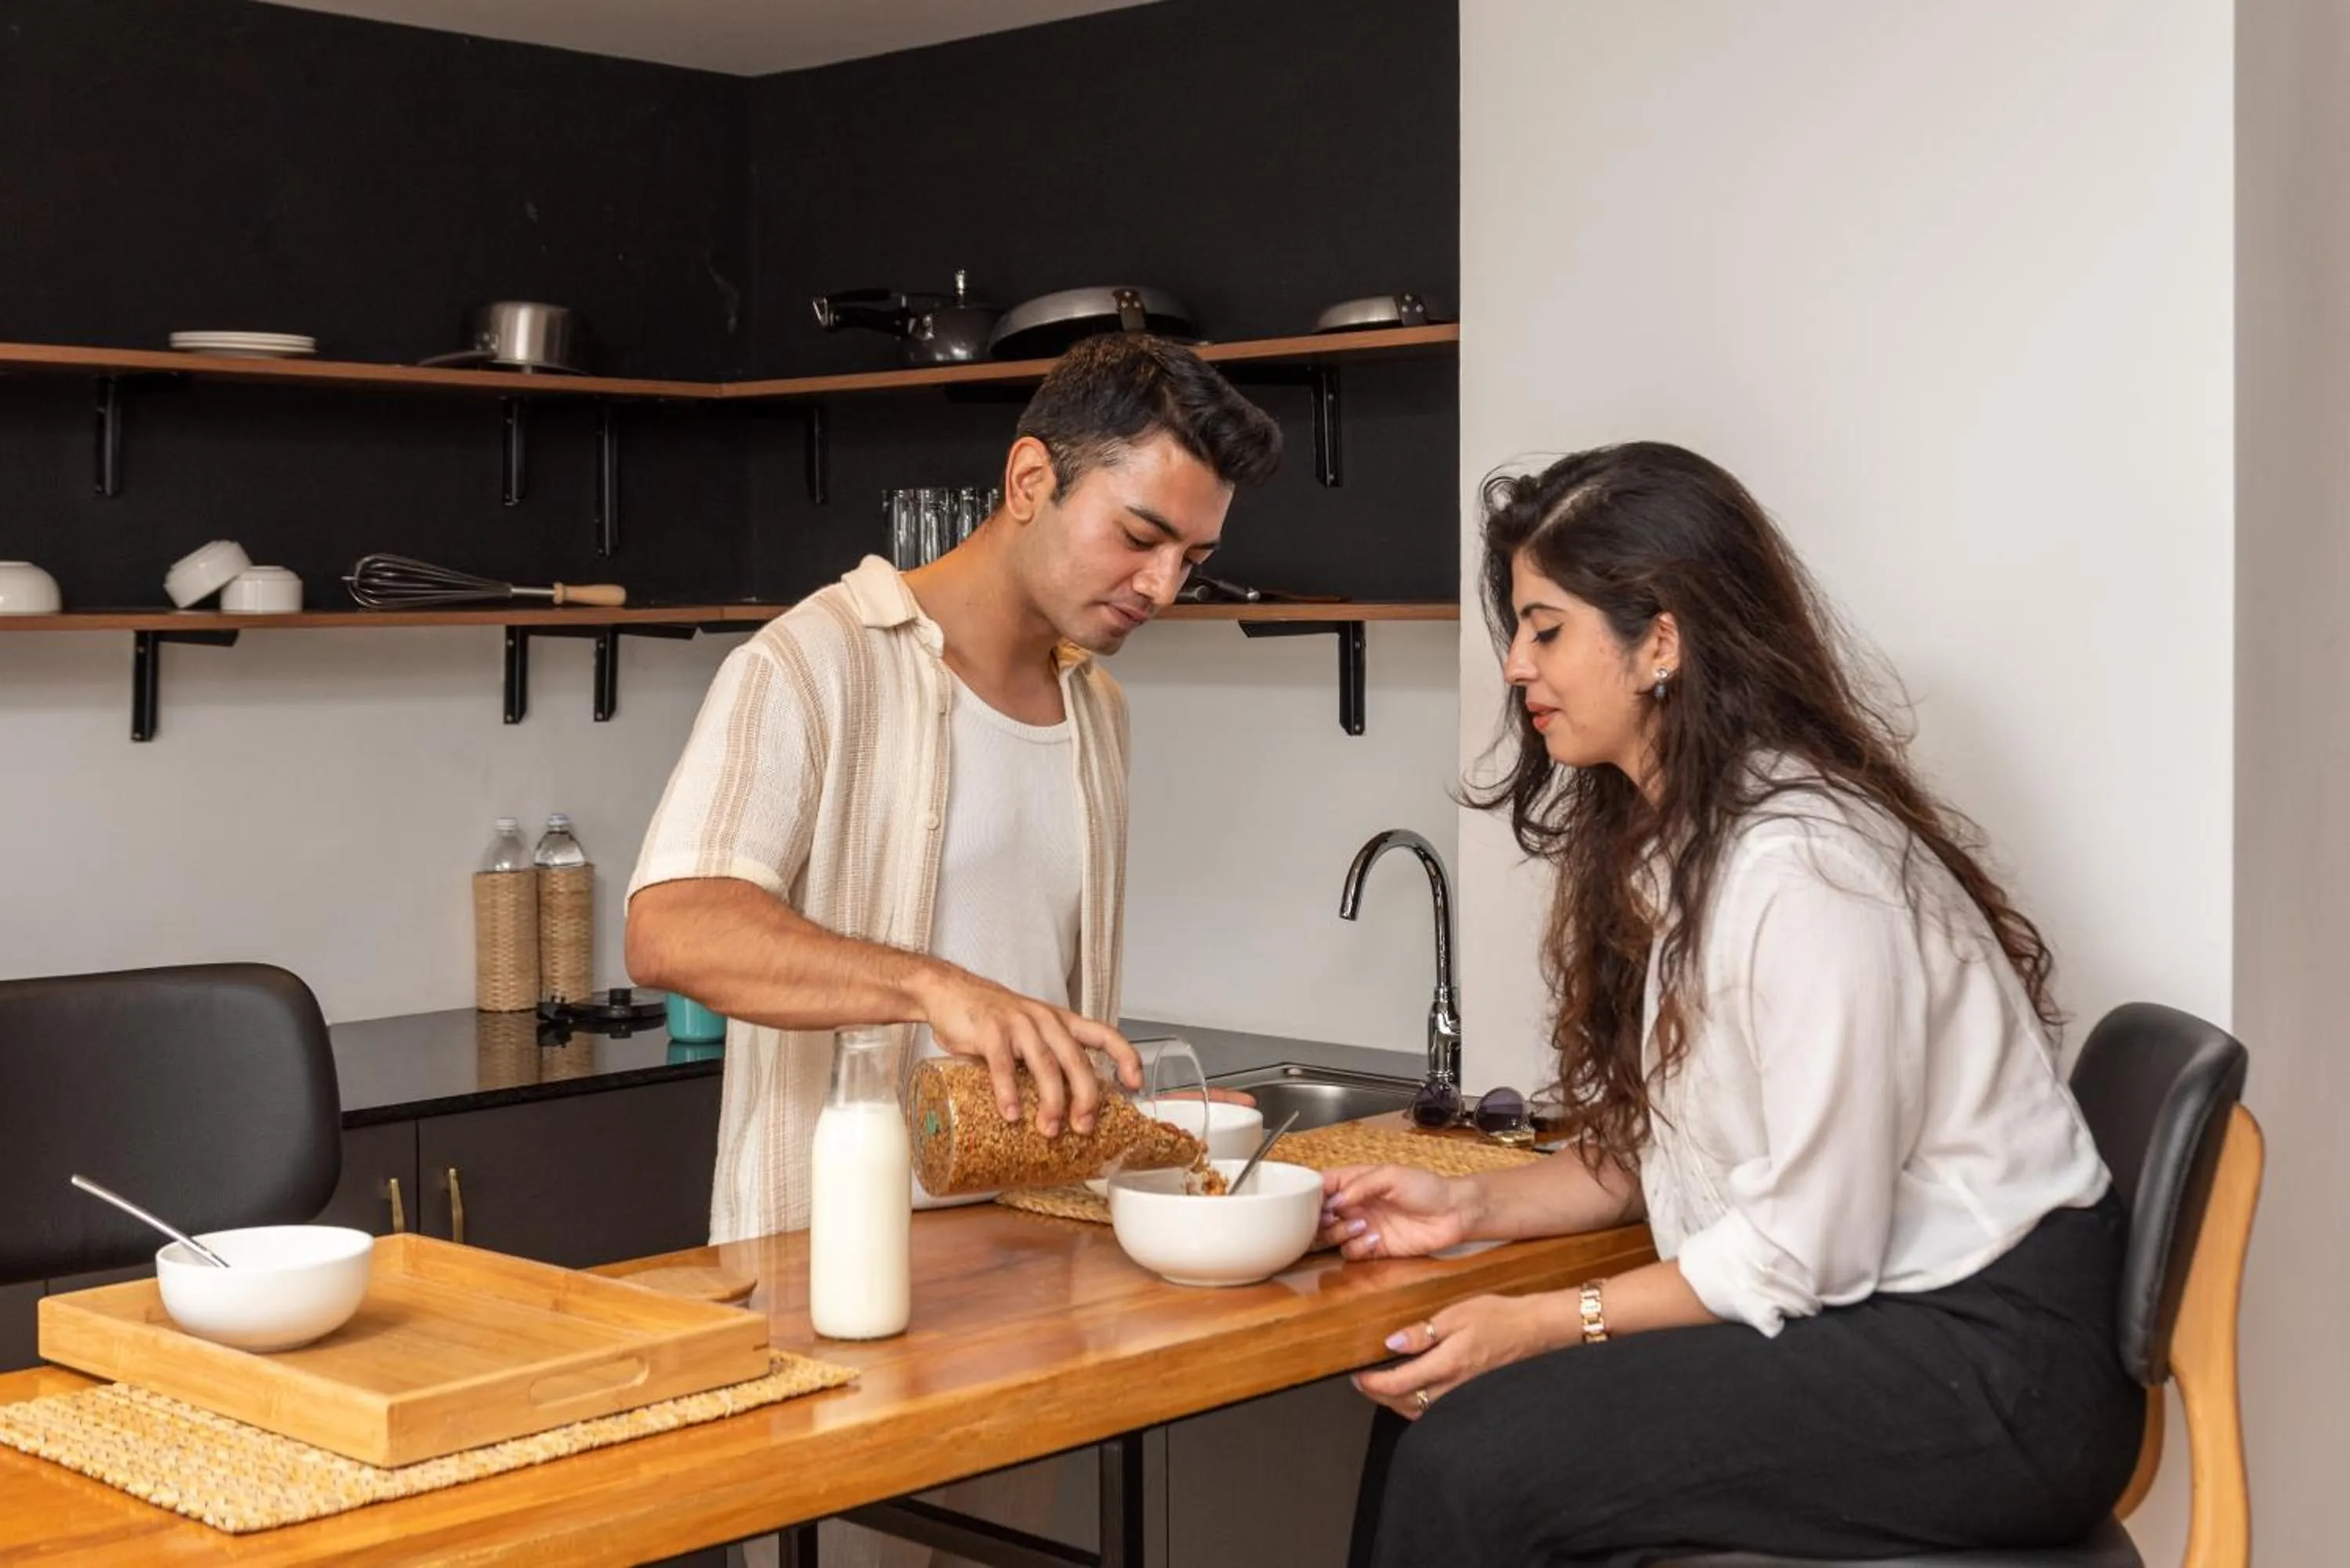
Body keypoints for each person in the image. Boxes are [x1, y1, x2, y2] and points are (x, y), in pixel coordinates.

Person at [1325, 442, 2141, 1566]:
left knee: (1475, 1452)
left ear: (1660, 638)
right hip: (1888, 1322)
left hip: (1994, 1373)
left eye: (1546, 626)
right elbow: (1686, 1150)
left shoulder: (1806, 869)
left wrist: (1552, 1320)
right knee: (1425, 1397)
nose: (1516, 664)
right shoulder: (1694, 845)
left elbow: (1807, 1246)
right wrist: (1467, 1210)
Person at [626, 334, 1278, 1568]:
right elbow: (670, 924)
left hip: (1037, 1288)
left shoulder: (1101, 708)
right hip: (831, 1301)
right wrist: (929, 981)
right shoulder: (808, 665)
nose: (1164, 583)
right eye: (1140, 535)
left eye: (1193, 557)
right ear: (1030, 477)